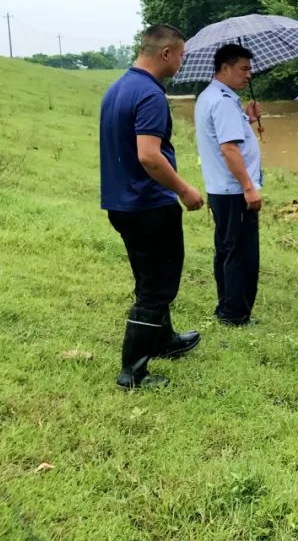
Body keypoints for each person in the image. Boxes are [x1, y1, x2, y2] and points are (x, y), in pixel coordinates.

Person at [100, 24, 204, 389]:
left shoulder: (118, 88)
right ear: (166, 54)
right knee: (156, 289)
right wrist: (185, 190)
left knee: (150, 279)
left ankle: (164, 341)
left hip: (122, 203)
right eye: (181, 54)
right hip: (149, 205)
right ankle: (133, 372)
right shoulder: (150, 96)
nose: (182, 61)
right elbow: (149, 156)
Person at [194, 44, 263, 326]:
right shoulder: (222, 100)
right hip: (234, 191)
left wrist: (248, 118)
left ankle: (227, 307)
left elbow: (226, 133)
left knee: (226, 248)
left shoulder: (210, 96)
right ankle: (235, 315)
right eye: (243, 68)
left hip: (220, 188)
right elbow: (229, 149)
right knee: (241, 254)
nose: (249, 75)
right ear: (225, 68)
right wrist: (249, 186)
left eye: (250, 68)